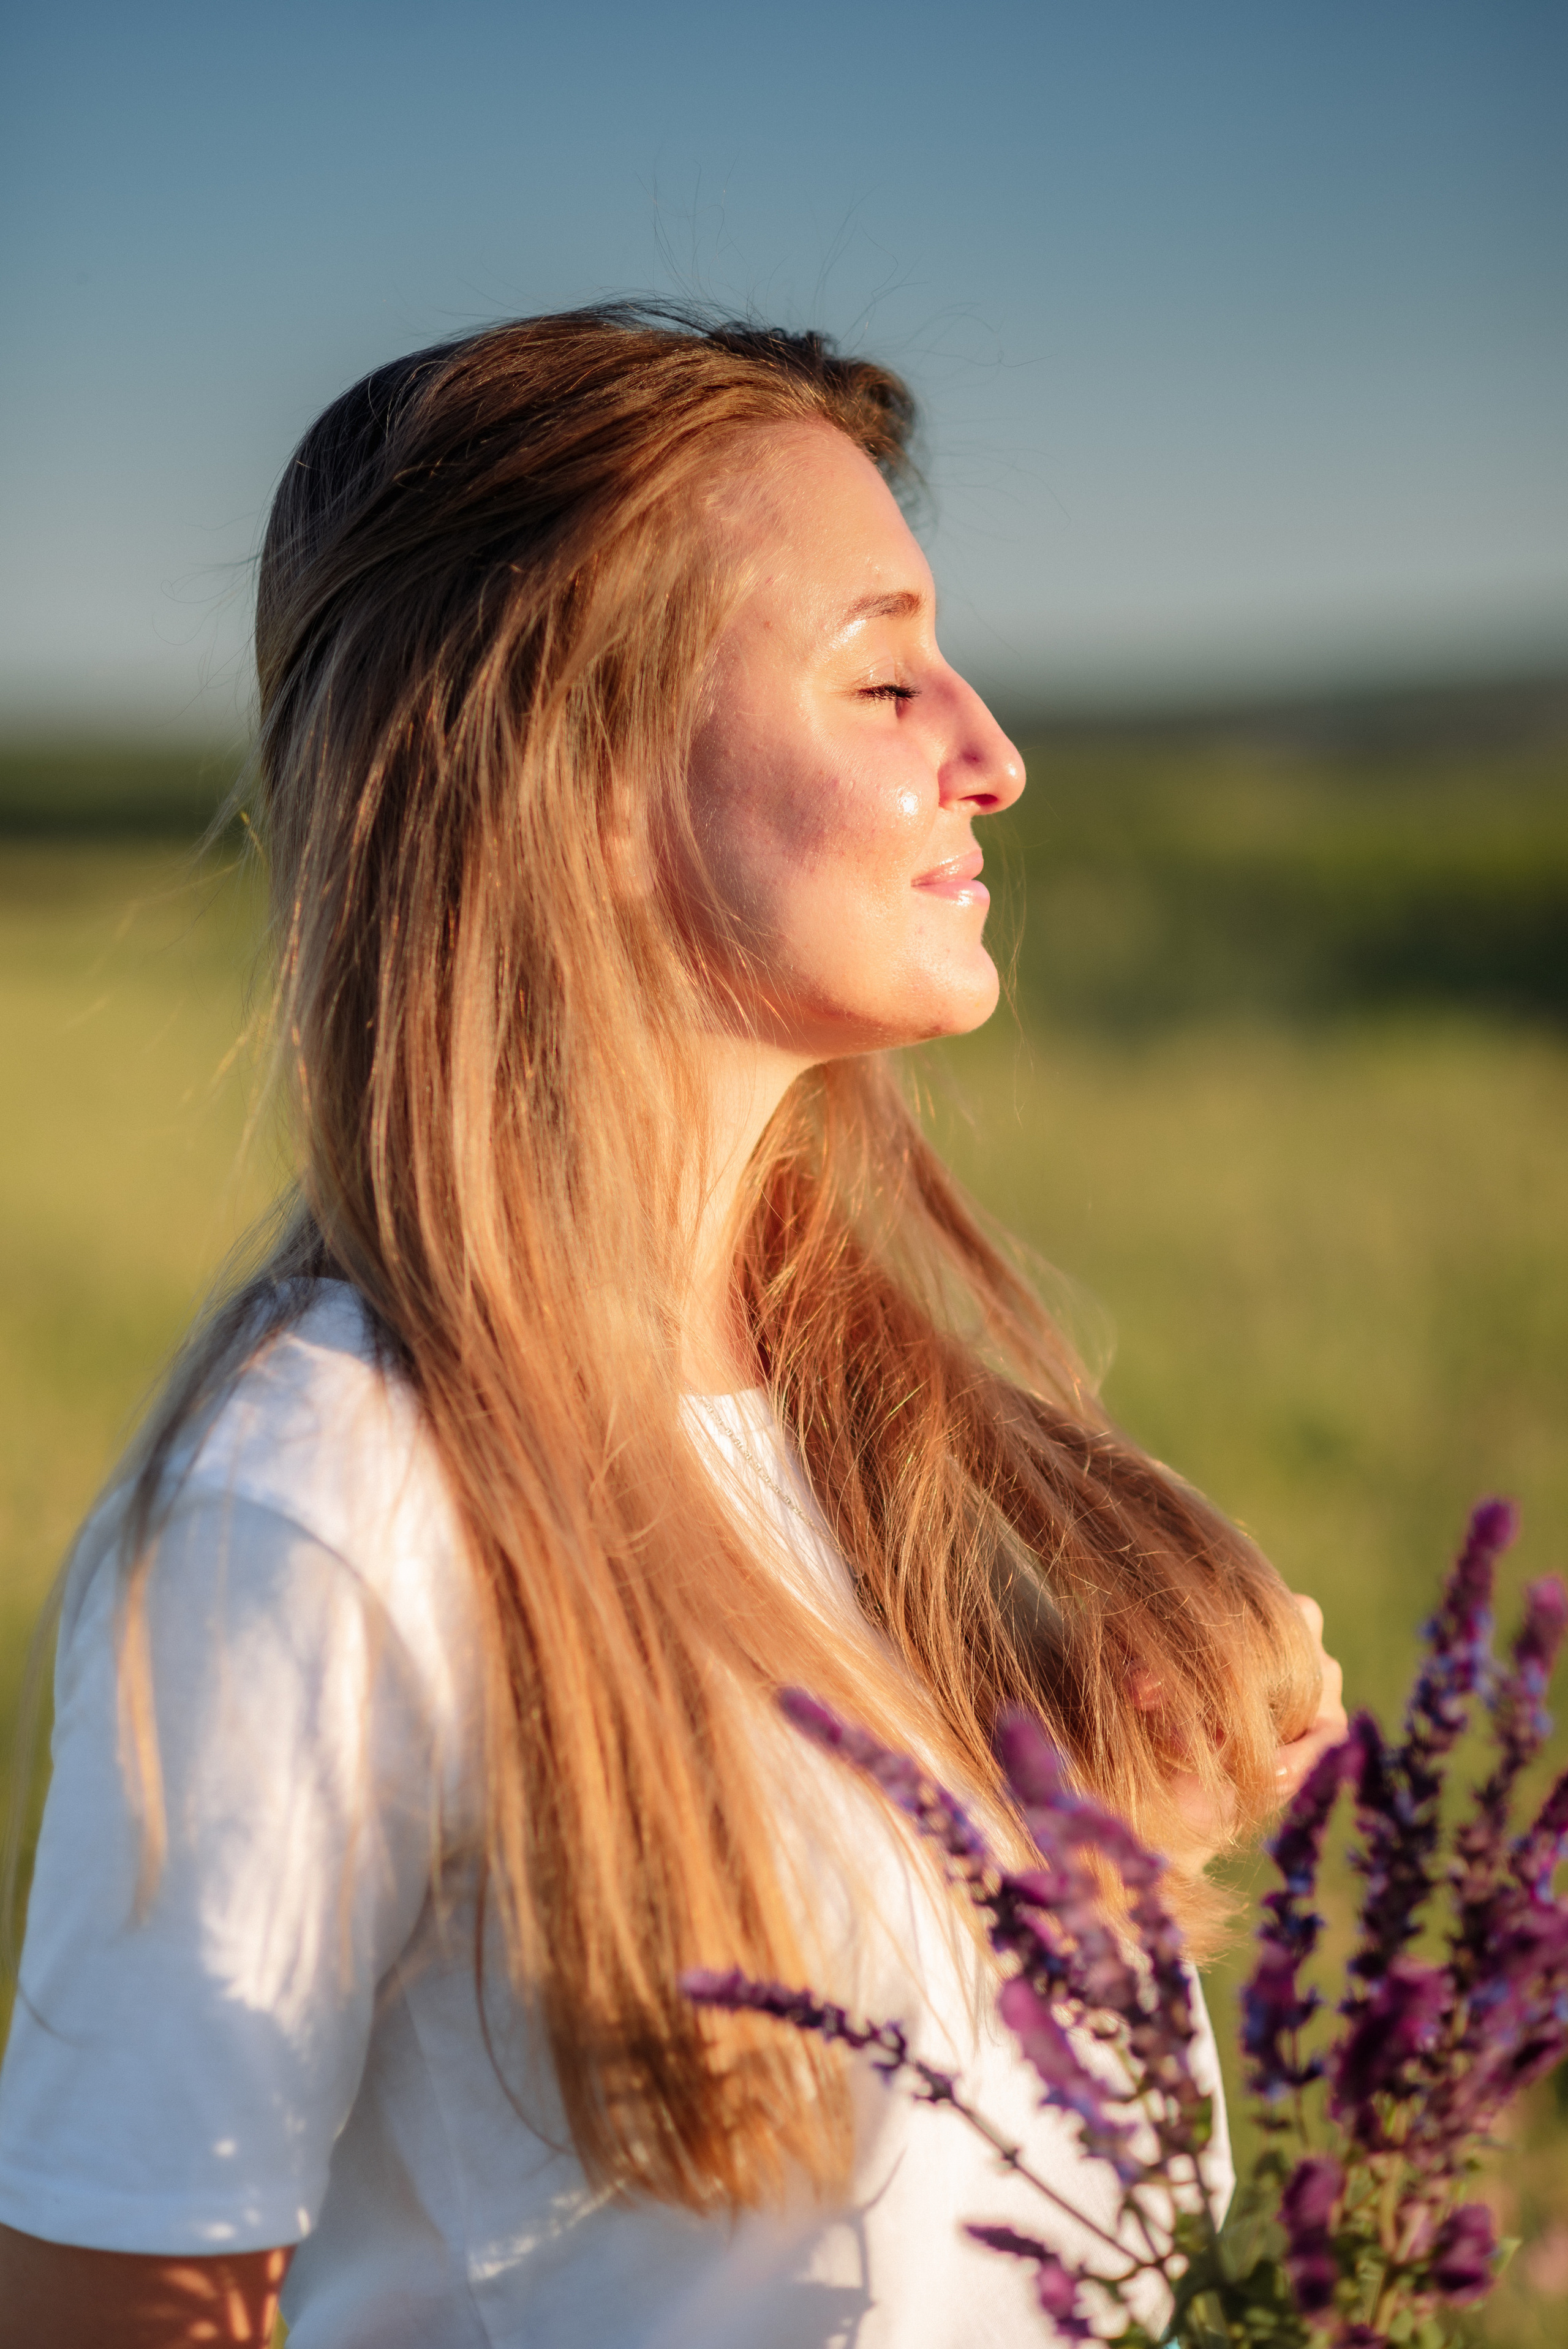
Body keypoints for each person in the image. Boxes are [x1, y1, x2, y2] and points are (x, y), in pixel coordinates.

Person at [0, 308, 1346, 2347]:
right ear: (575, 776)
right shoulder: (317, 1508)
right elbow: (120, 2307)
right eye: (884, 675)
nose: (992, 752)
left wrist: (1104, 1868)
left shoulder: (869, 1423)